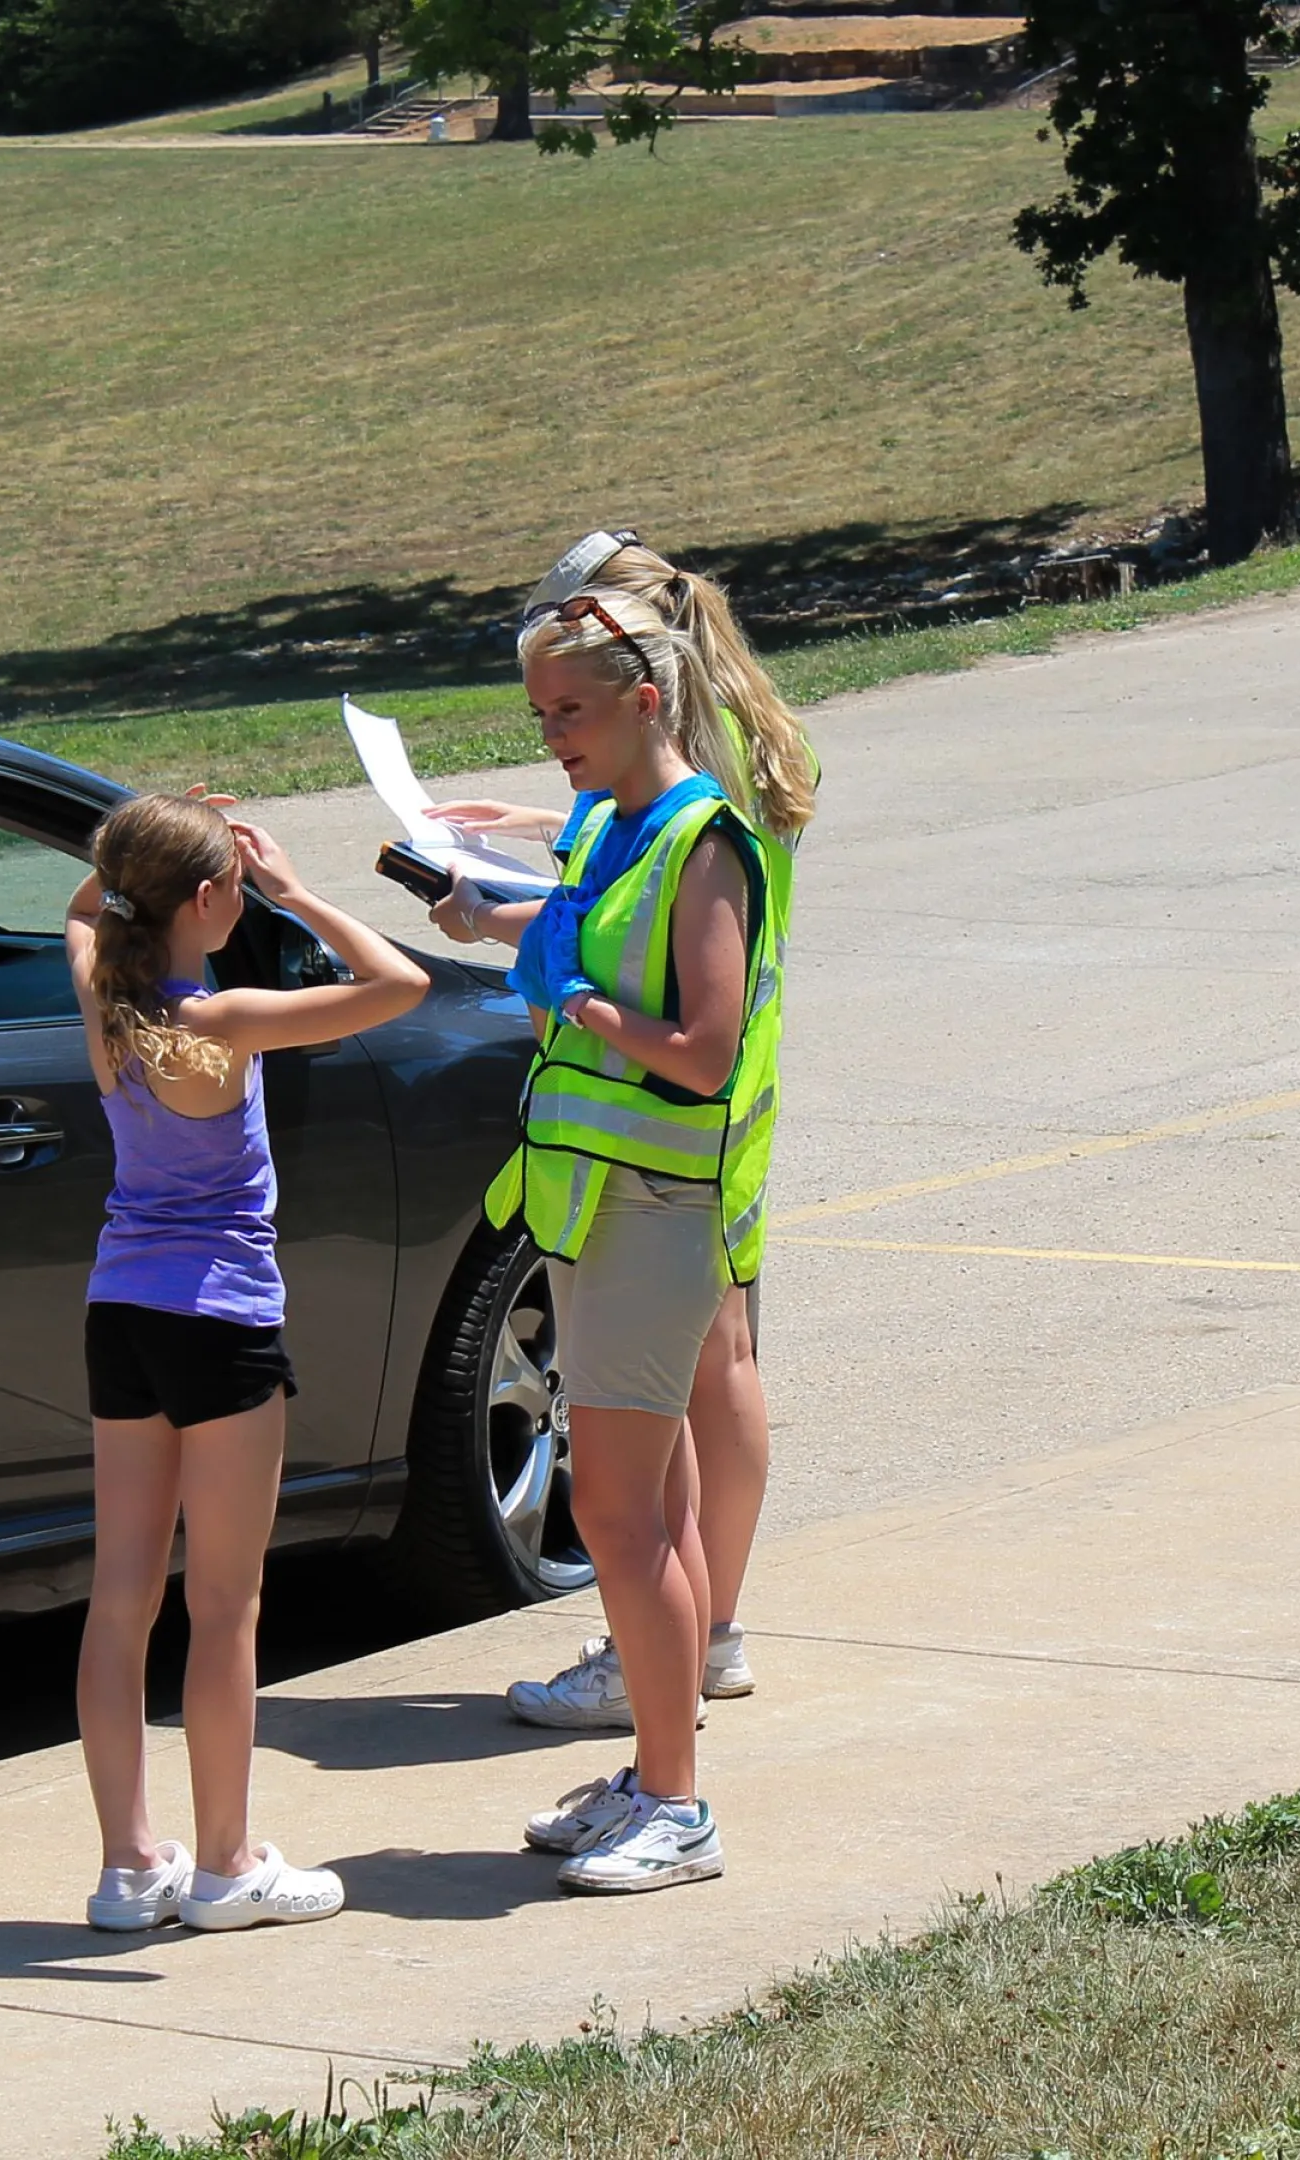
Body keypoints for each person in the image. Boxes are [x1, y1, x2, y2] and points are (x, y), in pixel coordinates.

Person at [426, 586, 787, 1894]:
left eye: (568, 712)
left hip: (652, 1210)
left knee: (622, 1518)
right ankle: (651, 1777)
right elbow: (583, 936)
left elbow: (701, 1050)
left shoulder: (701, 839)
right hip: (591, 1208)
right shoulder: (612, 827)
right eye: (539, 716)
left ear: (647, 700)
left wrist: (575, 1003)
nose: (551, 740)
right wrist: (503, 927)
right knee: (620, 1509)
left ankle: (678, 1806)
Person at [67, 793, 430, 1932]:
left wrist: (146, 837)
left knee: (121, 1596)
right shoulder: (222, 1018)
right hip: (219, 1321)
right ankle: (225, 1864)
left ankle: (131, 1867)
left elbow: (80, 912)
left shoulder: (109, 1000)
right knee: (225, 1604)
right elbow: (400, 984)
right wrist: (297, 891)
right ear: (212, 898)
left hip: (119, 1309)